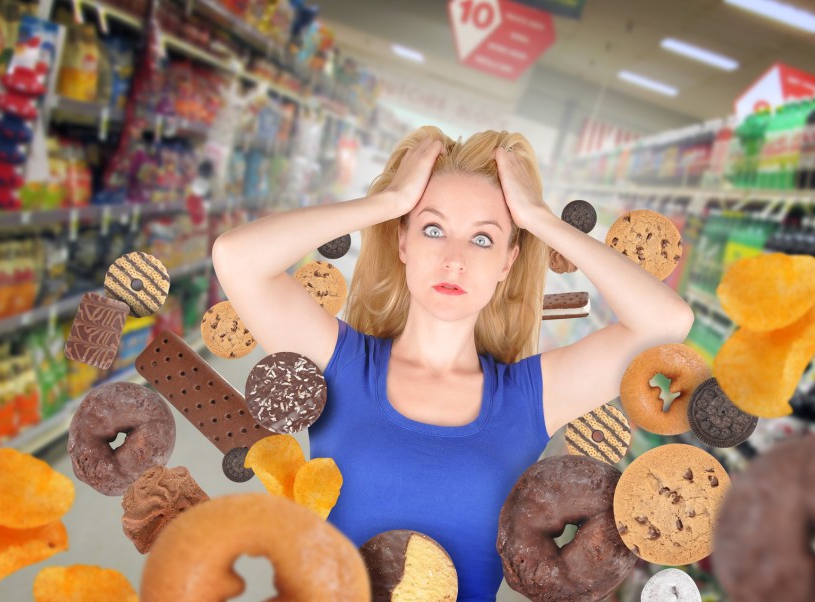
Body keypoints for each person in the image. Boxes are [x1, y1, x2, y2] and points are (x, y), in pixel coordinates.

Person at [212, 126, 694, 600]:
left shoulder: (529, 397)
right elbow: (236, 257)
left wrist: (540, 220)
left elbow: (666, 323)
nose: (454, 260)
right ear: (403, 242)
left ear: (509, 261)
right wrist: (387, 202)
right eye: (433, 228)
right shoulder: (341, 365)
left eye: (483, 239)